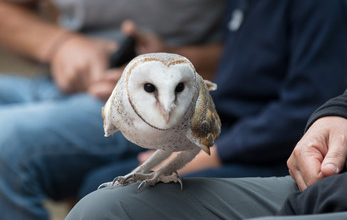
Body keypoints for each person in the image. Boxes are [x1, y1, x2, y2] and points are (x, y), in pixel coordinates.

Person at [77, 0, 347, 198]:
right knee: (96, 181)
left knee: (115, 197)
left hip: (269, 156)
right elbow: (241, 77)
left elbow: (305, 109)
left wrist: (216, 153)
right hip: (218, 131)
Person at [0, 0, 231, 219]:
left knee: (5, 142)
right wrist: (58, 44)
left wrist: (167, 66)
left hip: (171, 93)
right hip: (57, 77)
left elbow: (259, 43)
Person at [65, 90, 347, 219]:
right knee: (102, 207)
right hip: (327, 183)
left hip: (257, 154)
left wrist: (215, 150)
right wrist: (337, 111)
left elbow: (300, 102)